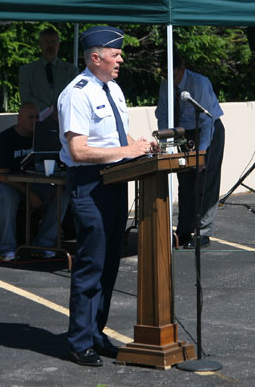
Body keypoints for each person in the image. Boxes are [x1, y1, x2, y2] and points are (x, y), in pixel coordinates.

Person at [57, 25, 157, 367]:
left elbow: (116, 134)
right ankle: (79, 341)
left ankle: (96, 333)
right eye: (116, 55)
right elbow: (79, 150)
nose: (121, 59)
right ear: (95, 57)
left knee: (110, 264)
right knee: (91, 264)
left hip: (116, 181)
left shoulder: (112, 89)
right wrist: (127, 149)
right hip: (89, 184)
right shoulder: (77, 93)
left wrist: (139, 146)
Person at [155, 51, 225, 249]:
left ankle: (203, 233)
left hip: (208, 131)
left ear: (182, 70)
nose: (171, 81)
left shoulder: (199, 83)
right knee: (185, 182)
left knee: (205, 182)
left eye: (174, 76)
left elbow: (207, 121)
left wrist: (201, 154)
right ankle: (183, 231)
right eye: (167, 76)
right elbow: (163, 114)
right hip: (183, 133)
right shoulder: (166, 85)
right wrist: (166, 144)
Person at [0, 102, 68, 262]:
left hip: (32, 183)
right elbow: (1, 176)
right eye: (30, 117)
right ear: (19, 118)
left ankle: (42, 245)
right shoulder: (4, 139)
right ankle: (6, 250)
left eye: (37, 117)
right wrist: (30, 194)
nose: (34, 121)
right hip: (5, 185)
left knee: (63, 195)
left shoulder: (41, 137)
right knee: (8, 197)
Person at [18, 29, 78, 114]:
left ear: (58, 45)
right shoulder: (26, 71)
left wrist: (59, 110)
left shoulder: (71, 70)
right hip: (37, 120)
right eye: (46, 42)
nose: (50, 46)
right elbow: (26, 97)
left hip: (64, 118)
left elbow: (74, 96)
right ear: (40, 45)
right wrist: (49, 111)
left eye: (53, 42)